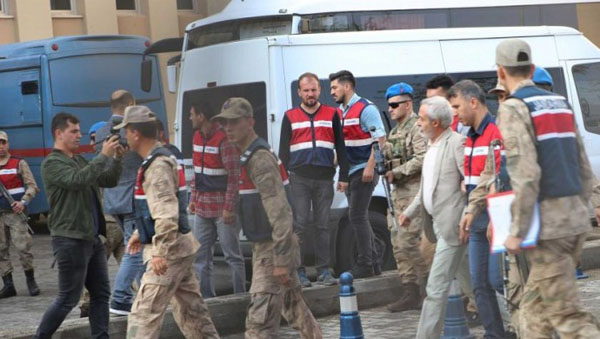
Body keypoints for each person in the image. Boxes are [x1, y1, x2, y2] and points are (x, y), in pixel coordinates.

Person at [495, 38, 600, 338]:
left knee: (567, 315)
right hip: (574, 219)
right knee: (532, 314)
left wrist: (516, 230)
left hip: (549, 226)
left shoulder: (514, 108)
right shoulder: (559, 103)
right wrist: (586, 207)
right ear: (531, 67)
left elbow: (526, 174)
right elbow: (582, 164)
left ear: (501, 72)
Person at [212, 97, 322, 338]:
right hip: (269, 245)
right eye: (224, 123)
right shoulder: (248, 156)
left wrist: (281, 260)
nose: (227, 128)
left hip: (273, 249)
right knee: (294, 307)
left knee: (259, 323)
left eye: (234, 122)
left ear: (250, 122)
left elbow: (280, 211)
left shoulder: (259, 159)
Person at [116, 106, 217, 339]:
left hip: (168, 251)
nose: (125, 137)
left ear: (136, 133)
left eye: (127, 131)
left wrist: (159, 252)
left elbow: (166, 213)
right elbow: (156, 208)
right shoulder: (162, 157)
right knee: (193, 314)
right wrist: (140, 233)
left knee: (143, 315)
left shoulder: (157, 165)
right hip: (179, 246)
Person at [35, 113, 123, 339]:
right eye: (74, 131)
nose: (79, 135)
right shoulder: (51, 164)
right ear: (58, 133)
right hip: (70, 240)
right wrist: (103, 155)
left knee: (101, 294)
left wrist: (117, 158)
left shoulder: (79, 159)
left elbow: (108, 180)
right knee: (68, 299)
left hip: (92, 239)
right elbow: (78, 180)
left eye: (79, 130)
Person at [399, 96, 473, 339]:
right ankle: (509, 325)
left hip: (454, 227)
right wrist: (409, 212)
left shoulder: (457, 143)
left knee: (435, 287)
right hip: (437, 226)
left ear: (437, 123)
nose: (418, 123)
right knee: (475, 287)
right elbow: (425, 190)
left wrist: (467, 214)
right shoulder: (431, 146)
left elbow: (473, 185)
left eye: (422, 119)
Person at [279, 72, 349, 287]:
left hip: (324, 178)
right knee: (299, 225)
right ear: (299, 92)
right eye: (306, 90)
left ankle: (324, 271)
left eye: (313, 90)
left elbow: (341, 147)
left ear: (319, 91)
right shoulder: (290, 116)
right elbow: (283, 152)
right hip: (299, 178)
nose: (310, 94)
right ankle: (299, 272)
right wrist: (286, 180)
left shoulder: (332, 114)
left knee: (323, 225)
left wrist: (343, 176)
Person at [449, 80, 505, 338]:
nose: (455, 113)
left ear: (473, 102)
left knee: (499, 281)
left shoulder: (495, 132)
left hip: (496, 218)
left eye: (457, 106)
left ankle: (524, 327)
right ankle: (494, 334)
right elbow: (474, 181)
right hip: (476, 217)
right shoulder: (469, 137)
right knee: (479, 284)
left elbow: (495, 178)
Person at [330, 70, 386, 278]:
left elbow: (380, 139)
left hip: (364, 169)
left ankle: (365, 263)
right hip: (350, 171)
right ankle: (374, 261)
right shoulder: (339, 112)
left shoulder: (366, 108)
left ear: (347, 86)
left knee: (356, 215)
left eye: (335, 87)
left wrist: (371, 166)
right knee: (359, 216)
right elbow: (341, 146)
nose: (332, 92)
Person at [189, 100, 246, 298]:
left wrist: (229, 207)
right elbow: (197, 171)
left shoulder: (224, 140)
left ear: (201, 116)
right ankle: (207, 299)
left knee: (233, 255)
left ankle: (241, 297)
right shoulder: (196, 137)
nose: (190, 118)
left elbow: (234, 176)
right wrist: (194, 198)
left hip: (222, 206)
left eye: (192, 114)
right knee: (201, 256)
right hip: (203, 207)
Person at [95, 89, 145, 316]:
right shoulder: (132, 131)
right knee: (133, 251)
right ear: (130, 103)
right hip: (133, 199)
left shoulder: (101, 132)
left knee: (135, 248)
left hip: (112, 201)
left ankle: (146, 292)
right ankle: (121, 298)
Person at [380, 83, 428, 312]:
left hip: (413, 192)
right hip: (397, 194)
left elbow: (422, 158)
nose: (390, 109)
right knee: (398, 245)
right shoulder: (395, 130)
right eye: (388, 105)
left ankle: (426, 290)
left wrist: (397, 172)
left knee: (412, 242)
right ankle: (410, 291)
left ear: (408, 104)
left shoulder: (418, 127)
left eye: (394, 105)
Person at [79, 121, 125, 318]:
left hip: (108, 223)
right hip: (123, 220)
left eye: (94, 139)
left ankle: (87, 308)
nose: (92, 144)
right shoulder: (118, 157)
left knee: (95, 272)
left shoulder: (99, 162)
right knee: (128, 267)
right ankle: (134, 301)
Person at [0, 130, 40, 299]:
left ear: (8, 144)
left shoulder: (18, 163)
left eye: (3, 143)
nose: (0, 146)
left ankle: (30, 280)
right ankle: (8, 285)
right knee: (0, 250)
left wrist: (23, 202)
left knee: (23, 248)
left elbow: (33, 186)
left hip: (15, 214)